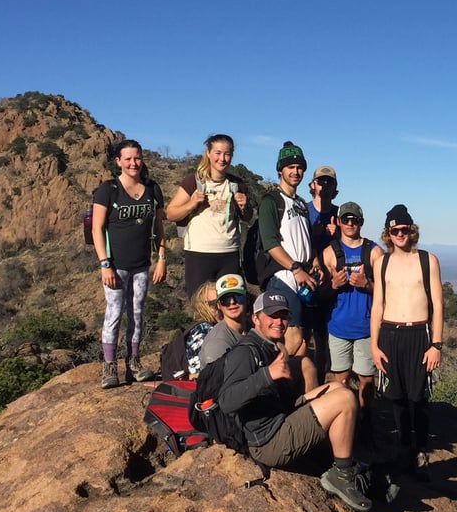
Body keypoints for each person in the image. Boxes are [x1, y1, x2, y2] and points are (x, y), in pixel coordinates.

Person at [217, 290, 372, 512]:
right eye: (271, 315)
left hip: (280, 418)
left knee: (337, 387)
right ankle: (342, 474)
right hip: (268, 442)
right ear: (255, 318)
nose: (279, 321)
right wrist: (267, 375)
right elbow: (226, 401)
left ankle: (340, 459)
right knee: (345, 399)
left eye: (283, 316)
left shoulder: (268, 346)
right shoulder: (245, 352)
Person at [370, 204, 444, 475]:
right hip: (390, 333)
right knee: (396, 396)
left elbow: (438, 303)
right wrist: (374, 346)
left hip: (419, 333)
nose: (400, 234)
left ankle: (421, 449)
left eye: (404, 229)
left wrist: (436, 344)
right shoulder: (382, 262)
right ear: (388, 233)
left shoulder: (428, 260)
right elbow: (377, 305)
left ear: (412, 231)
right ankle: (403, 447)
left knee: (419, 396)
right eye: (394, 230)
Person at [92, 139, 166, 389]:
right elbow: (97, 229)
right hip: (116, 266)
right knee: (114, 314)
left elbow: (159, 228)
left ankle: (133, 362)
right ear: (118, 162)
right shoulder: (108, 190)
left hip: (141, 264)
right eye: (128, 159)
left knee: (137, 314)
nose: (133, 163)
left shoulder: (152, 189)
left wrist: (161, 259)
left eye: (137, 158)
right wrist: (105, 264)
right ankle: (109, 366)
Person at [165, 134, 253, 298]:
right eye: (218, 153)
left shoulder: (237, 184)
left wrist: (245, 206)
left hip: (229, 253)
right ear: (208, 153)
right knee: (201, 307)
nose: (222, 159)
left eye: (227, 154)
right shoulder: (193, 182)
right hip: (199, 253)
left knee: (231, 305)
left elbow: (247, 217)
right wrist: (191, 204)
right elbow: (171, 213)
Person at [321, 201, 383, 423]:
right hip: (338, 327)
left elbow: (387, 290)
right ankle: (344, 421)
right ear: (338, 221)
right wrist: (334, 285)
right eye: (345, 219)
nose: (349, 223)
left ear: (361, 222)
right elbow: (320, 294)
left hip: (366, 328)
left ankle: (366, 421)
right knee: (341, 380)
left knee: (367, 379)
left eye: (354, 220)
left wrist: (366, 284)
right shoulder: (329, 252)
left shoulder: (374, 252)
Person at [258, 141, 319, 358]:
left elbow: (303, 239)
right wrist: (295, 268)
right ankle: (264, 380)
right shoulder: (271, 201)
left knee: (302, 343)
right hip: (283, 276)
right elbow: (270, 242)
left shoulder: (301, 204)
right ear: (280, 170)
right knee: (292, 339)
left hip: (302, 276)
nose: (296, 171)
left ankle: (290, 389)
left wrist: (313, 263)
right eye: (290, 167)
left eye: (300, 167)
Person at [307, 165, 339, 383]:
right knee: (299, 338)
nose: (324, 186)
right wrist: (313, 233)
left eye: (329, 183)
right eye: (321, 181)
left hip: (331, 286)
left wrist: (338, 236)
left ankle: (319, 382)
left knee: (322, 338)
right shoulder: (302, 210)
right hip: (305, 280)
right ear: (313, 185)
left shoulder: (339, 214)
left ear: (335, 189)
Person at [198, 274, 252, 368]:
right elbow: (224, 381)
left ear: (246, 298)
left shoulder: (254, 326)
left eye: (238, 296)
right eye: (225, 300)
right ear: (218, 305)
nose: (232, 302)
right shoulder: (217, 343)